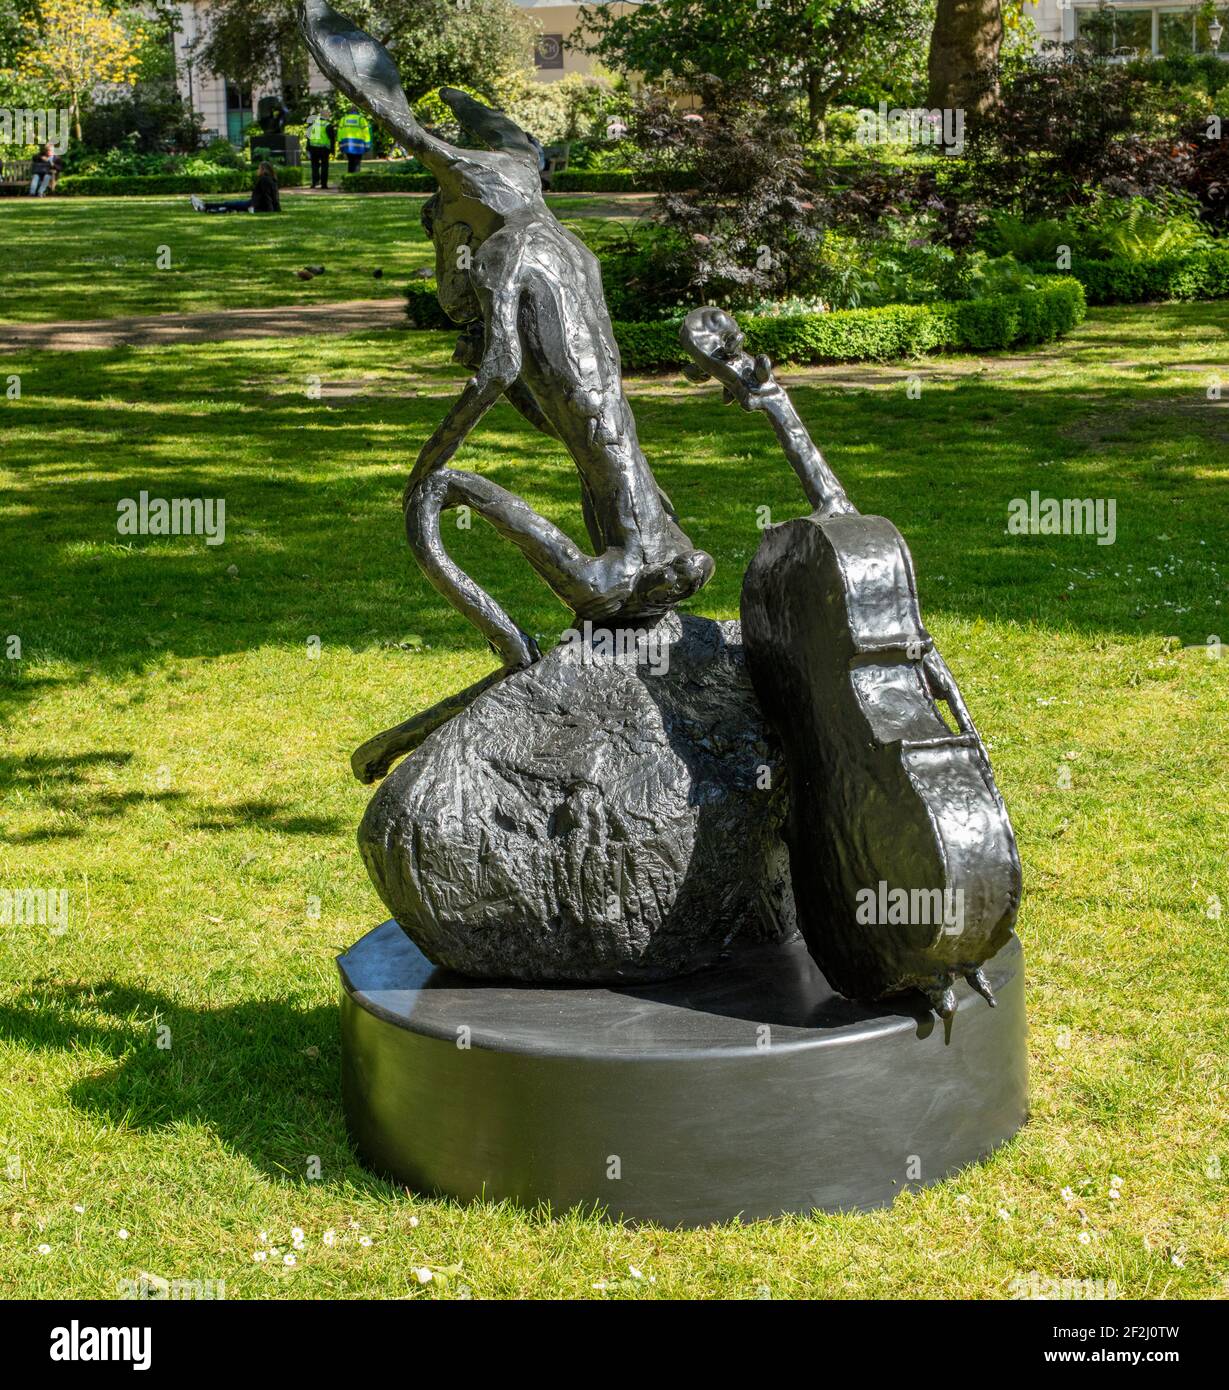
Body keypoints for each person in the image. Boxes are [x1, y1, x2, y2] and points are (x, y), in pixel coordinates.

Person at [190, 162, 282, 215]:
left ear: (263, 170)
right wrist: (277, 209)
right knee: (232, 206)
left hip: (254, 205)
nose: (257, 171)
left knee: (229, 204)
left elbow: (267, 196)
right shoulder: (272, 180)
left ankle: (205, 206)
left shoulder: (264, 179)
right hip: (255, 204)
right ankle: (206, 207)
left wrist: (269, 211)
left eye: (259, 169)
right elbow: (274, 197)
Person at [305, 110, 337, 189]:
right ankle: (324, 184)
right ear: (327, 116)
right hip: (324, 149)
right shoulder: (328, 125)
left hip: (313, 148)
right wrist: (333, 150)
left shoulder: (313, 123)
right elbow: (332, 139)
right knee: (324, 166)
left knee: (314, 166)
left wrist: (307, 147)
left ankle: (314, 183)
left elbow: (308, 137)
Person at [336, 105, 372, 174]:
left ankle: (349, 178)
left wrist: (340, 143)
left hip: (347, 145)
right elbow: (366, 133)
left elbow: (339, 132)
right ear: (357, 111)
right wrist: (367, 144)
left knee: (350, 162)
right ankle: (355, 178)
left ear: (349, 111)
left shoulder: (343, 119)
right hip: (359, 146)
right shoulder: (361, 119)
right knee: (357, 163)